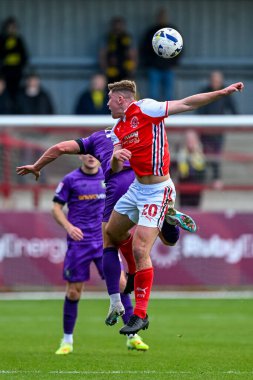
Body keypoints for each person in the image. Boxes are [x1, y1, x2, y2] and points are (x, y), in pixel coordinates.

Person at [103, 78, 244, 336]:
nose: (107, 102)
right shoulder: (118, 128)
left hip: (159, 189)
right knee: (112, 233)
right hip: (137, 189)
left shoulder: (146, 108)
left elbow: (187, 103)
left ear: (121, 99)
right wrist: (115, 158)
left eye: (110, 98)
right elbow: (115, 167)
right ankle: (149, 250)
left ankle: (140, 316)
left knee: (140, 247)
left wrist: (222, 92)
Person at [16, 133, 151, 352]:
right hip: (79, 244)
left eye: (94, 156)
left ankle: (132, 336)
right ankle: (67, 340)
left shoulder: (110, 177)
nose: (90, 158)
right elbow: (56, 207)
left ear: (100, 157)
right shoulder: (70, 180)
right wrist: (69, 227)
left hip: (104, 241)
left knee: (122, 284)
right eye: (86, 155)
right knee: (73, 292)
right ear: (81, 156)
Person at [196, 71, 238, 189]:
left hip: (218, 130)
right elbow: (198, 108)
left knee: (216, 155)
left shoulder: (226, 93)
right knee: (203, 154)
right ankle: (201, 178)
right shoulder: (204, 91)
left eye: (218, 79)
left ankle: (216, 178)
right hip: (205, 129)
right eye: (214, 79)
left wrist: (238, 123)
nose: (216, 82)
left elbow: (234, 109)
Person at [140, 8, 182, 100]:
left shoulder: (173, 32)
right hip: (154, 68)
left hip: (168, 68)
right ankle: (153, 114)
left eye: (164, 17)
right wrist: (149, 63)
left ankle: (169, 114)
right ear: (157, 18)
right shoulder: (151, 32)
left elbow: (180, 48)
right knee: (153, 95)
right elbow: (144, 49)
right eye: (160, 17)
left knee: (169, 95)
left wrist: (174, 63)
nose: (162, 18)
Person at [99, 16, 138, 83]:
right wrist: (104, 69)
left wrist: (133, 69)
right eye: (116, 25)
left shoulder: (128, 37)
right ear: (112, 26)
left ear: (123, 26)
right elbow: (102, 54)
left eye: (119, 25)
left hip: (126, 70)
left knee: (126, 90)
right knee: (112, 91)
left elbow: (134, 54)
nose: (117, 27)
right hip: (112, 70)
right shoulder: (107, 38)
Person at [0, 17, 28, 100]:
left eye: (14, 27)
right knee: (4, 91)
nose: (12, 29)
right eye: (10, 27)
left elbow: (24, 56)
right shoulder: (2, 40)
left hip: (16, 71)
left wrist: (20, 65)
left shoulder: (18, 40)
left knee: (15, 91)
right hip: (4, 71)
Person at [177, 129, 206, 207]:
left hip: (196, 189)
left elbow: (202, 171)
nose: (190, 142)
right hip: (184, 189)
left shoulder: (201, 154)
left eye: (192, 139)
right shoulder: (181, 153)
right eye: (188, 139)